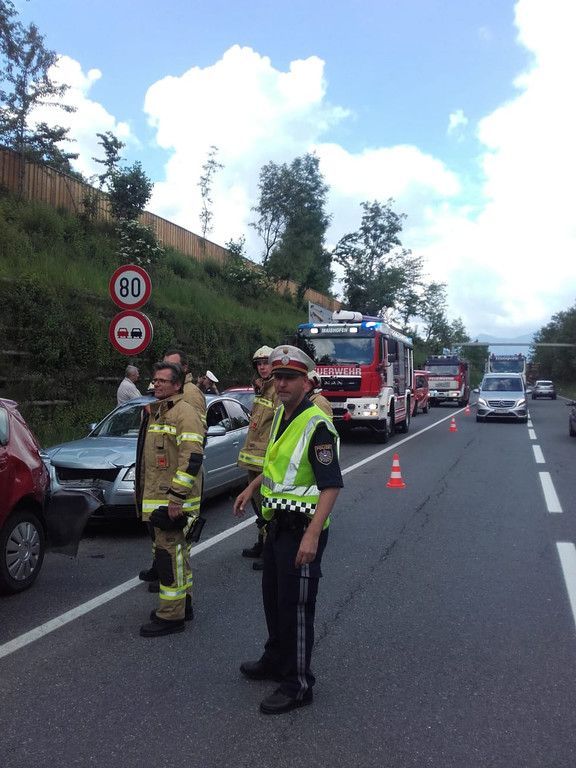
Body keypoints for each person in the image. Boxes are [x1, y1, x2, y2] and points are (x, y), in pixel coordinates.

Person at [233, 345, 343, 714]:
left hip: (301, 530)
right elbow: (276, 464)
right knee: (273, 599)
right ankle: (275, 658)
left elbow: (331, 485)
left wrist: (312, 534)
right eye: (278, 376)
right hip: (277, 525)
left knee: (296, 607)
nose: (281, 383)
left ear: (306, 382)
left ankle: (298, 683)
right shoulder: (282, 414)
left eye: (289, 377)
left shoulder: (318, 425)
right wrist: (251, 487)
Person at [135, 361, 205, 638]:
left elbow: (192, 458)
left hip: (173, 502)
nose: (157, 384)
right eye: (155, 380)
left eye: (163, 381)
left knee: (168, 558)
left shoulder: (184, 413)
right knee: (178, 556)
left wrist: (176, 497)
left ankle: (171, 615)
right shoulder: (159, 412)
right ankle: (183, 605)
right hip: (161, 499)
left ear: (177, 385)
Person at [237, 345, 277, 569]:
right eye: (259, 364)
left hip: (266, 460)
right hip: (254, 458)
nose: (262, 367)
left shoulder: (276, 390)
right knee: (257, 504)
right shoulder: (261, 388)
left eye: (266, 363)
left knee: (267, 506)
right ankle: (262, 543)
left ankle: (270, 552)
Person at [163, 349, 207, 424]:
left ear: (184, 368)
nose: (166, 370)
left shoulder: (192, 394)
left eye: (172, 366)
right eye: (164, 366)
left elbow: (197, 426)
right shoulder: (167, 390)